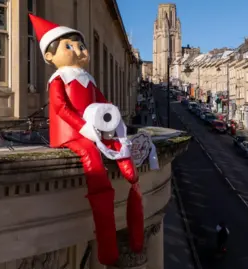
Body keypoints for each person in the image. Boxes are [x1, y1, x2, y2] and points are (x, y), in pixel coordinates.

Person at [29, 14, 143, 265]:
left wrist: (116, 125)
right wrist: (84, 129)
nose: (79, 51)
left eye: (81, 46)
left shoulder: (87, 78)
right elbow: (60, 108)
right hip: (70, 135)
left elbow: (103, 103)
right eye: (69, 46)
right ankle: (106, 240)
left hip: (93, 130)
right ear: (49, 56)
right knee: (91, 154)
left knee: (120, 147)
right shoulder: (58, 79)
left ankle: (131, 178)